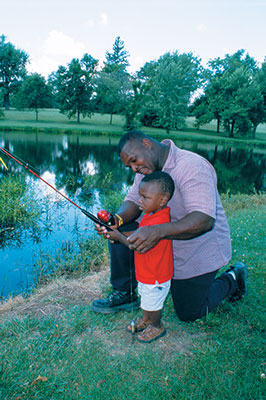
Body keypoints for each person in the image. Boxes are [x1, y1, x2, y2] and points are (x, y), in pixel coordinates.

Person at [92, 130, 247, 323]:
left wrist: (156, 231)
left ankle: (234, 277)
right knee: (120, 230)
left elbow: (204, 220)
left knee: (189, 312)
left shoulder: (192, 166)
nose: (133, 168)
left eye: (133, 160)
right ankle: (124, 292)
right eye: (129, 165)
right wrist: (118, 219)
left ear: (146, 144)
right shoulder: (146, 168)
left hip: (197, 246)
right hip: (164, 237)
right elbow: (133, 199)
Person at [103, 171, 175, 343]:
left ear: (162, 200)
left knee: (153, 304)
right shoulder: (151, 215)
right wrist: (116, 231)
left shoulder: (160, 221)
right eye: (140, 196)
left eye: (145, 197)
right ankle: (146, 319)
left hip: (156, 276)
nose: (140, 201)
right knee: (145, 298)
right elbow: (137, 233)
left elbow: (136, 245)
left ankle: (156, 326)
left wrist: (118, 237)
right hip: (146, 273)